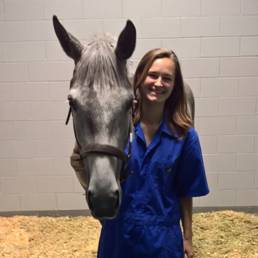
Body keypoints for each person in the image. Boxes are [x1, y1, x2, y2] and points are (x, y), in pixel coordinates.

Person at [71, 48, 209, 258]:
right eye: (153, 75)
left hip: (163, 241)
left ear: (175, 85)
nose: (158, 83)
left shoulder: (185, 137)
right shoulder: (118, 132)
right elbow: (96, 178)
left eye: (167, 78)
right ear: (140, 77)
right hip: (119, 237)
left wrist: (188, 237)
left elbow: (185, 191)